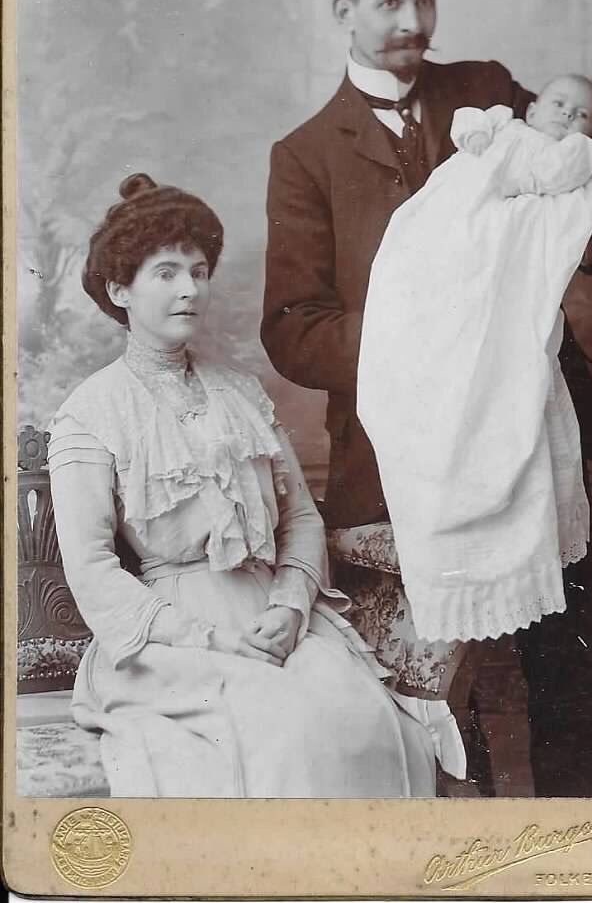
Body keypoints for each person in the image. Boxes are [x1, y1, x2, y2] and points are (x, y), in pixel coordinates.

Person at [261, 0, 592, 797]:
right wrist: (427, 333)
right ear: (343, 13)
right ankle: (453, 858)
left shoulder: (486, 91)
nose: (414, 19)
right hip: (400, 449)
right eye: (390, 2)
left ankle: (572, 847)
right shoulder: (305, 155)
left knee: (560, 667)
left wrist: (574, 181)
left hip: (529, 419)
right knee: (432, 701)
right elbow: (293, 328)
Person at [47, 173, 438, 799]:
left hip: (273, 616)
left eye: (199, 272)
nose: (190, 290)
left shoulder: (241, 392)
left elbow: (301, 521)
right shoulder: (92, 412)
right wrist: (210, 638)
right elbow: (91, 568)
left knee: (363, 718)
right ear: (120, 290)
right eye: (167, 273)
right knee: (285, 729)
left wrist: (288, 606)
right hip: (167, 640)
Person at [357, 76, 592, 644]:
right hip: (442, 258)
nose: (568, 117)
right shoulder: (498, 122)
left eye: (583, 114)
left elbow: (562, 174)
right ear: (532, 105)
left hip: (503, 281)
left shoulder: (570, 152)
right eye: (559, 104)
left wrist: (548, 170)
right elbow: (470, 122)